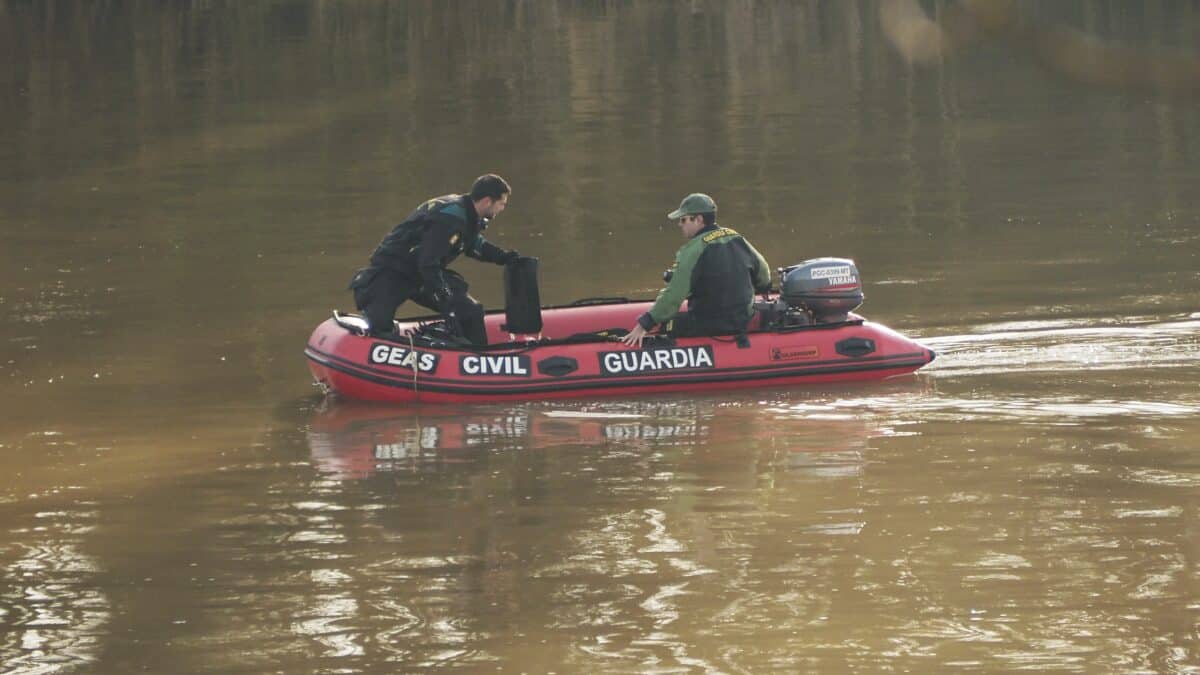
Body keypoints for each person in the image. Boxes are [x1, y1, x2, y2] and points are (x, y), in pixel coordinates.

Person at [348, 174, 520, 345]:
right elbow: (428, 263)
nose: (503, 209)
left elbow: (474, 244)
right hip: (395, 270)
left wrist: (503, 257)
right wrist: (444, 296)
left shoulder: (466, 212)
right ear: (487, 201)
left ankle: (477, 356)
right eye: (502, 204)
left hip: (423, 271)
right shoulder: (450, 219)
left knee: (471, 311)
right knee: (379, 325)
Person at [622, 193, 771, 348]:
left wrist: (644, 324)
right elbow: (764, 272)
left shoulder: (694, 250)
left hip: (711, 324)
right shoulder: (736, 237)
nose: (680, 224)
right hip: (743, 319)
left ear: (699, 219)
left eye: (683, 219)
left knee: (668, 324)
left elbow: (674, 295)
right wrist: (763, 289)